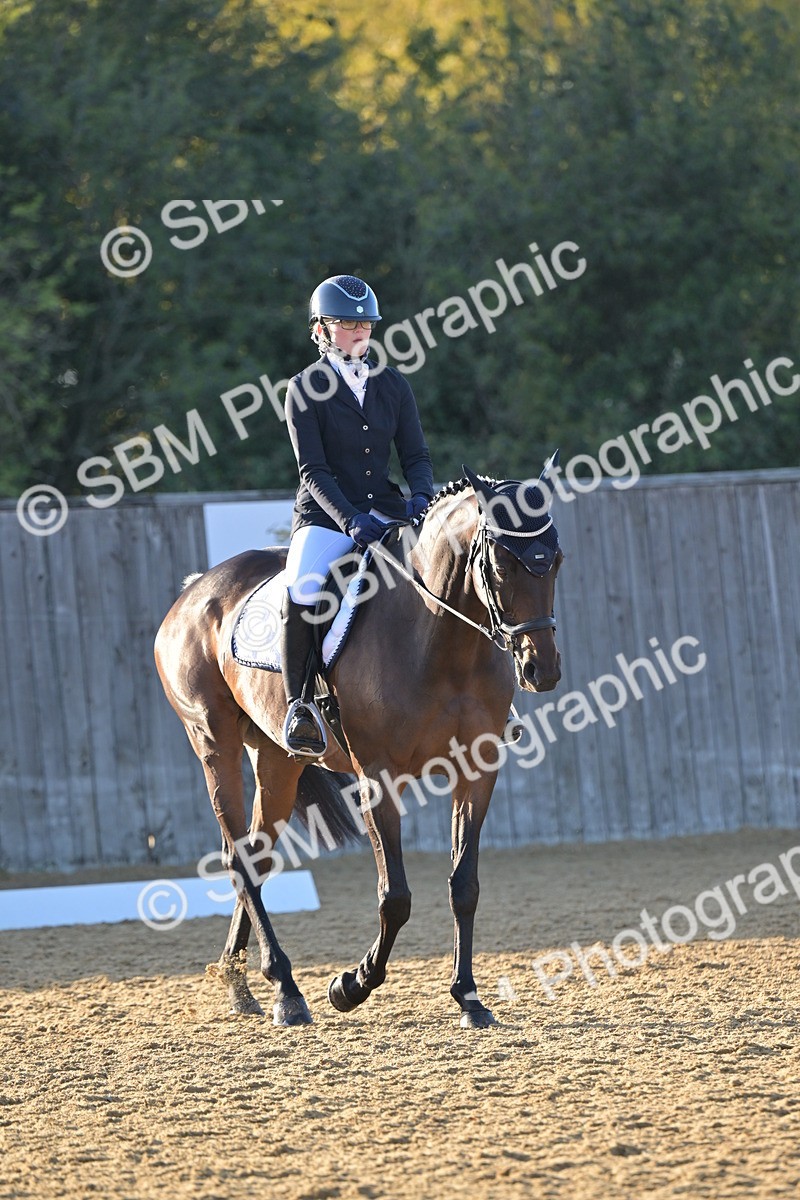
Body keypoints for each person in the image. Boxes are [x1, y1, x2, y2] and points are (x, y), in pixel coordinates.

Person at [281, 274, 434, 757]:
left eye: (366, 324)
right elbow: (314, 470)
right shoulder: (304, 389)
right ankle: (299, 705)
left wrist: (422, 497)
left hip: (387, 513)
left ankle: (483, 691)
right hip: (327, 519)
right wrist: (349, 520)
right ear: (321, 330)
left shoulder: (393, 385)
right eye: (348, 324)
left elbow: (416, 456)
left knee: (451, 572)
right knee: (302, 590)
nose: (360, 332)